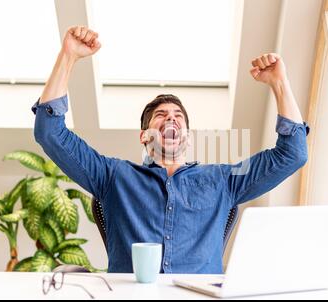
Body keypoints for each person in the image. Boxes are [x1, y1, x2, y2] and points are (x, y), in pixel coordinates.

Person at [32, 26, 309, 273]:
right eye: (161, 115)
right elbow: (50, 133)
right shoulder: (113, 176)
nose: (172, 118)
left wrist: (279, 83)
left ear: (187, 137)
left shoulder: (223, 180)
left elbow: (293, 154)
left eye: (178, 116)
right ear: (144, 136)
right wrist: (67, 57)